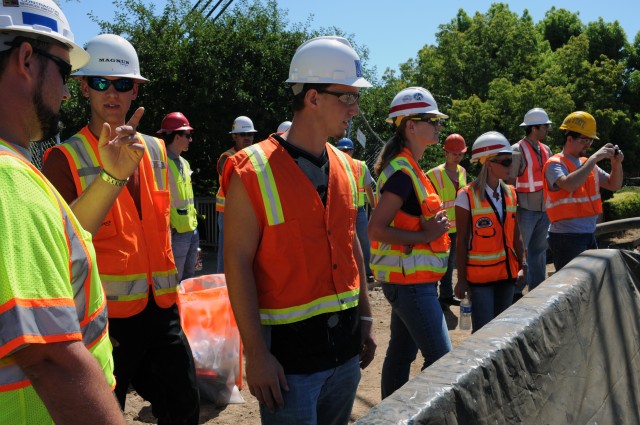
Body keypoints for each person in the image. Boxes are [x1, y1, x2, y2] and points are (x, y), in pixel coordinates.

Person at [42, 34, 199, 424]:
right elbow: (61, 240)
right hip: (104, 321)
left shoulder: (158, 151)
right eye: (99, 82)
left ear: (136, 91)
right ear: (82, 87)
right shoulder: (63, 159)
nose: (111, 93)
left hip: (162, 311)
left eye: (122, 84)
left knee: (184, 409)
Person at [223, 36, 376, 424]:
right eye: (348, 97)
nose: (355, 109)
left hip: (345, 351)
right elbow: (236, 263)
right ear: (313, 98)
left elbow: (350, 245)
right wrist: (255, 355)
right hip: (288, 364)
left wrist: (367, 318)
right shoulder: (250, 170)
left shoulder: (347, 167)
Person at [0, 1, 138, 423]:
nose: (65, 90)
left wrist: (110, 179)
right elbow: (52, 358)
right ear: (26, 59)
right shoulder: (9, 179)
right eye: (63, 71)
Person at [368, 86, 452, 399]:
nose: (438, 126)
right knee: (443, 360)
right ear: (410, 126)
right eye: (431, 120)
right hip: (411, 284)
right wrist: (425, 236)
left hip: (412, 281)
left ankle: (391, 415)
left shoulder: (410, 169)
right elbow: (375, 230)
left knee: (401, 354)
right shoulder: (403, 174)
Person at [454, 132, 526, 332]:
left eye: (510, 161)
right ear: (488, 164)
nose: (510, 165)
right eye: (505, 161)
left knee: (503, 333)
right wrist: (461, 279)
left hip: (508, 276)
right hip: (480, 279)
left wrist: (523, 264)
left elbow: (516, 233)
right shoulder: (465, 196)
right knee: (484, 333)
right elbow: (461, 241)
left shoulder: (511, 193)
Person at [543, 111, 624, 270]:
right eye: (584, 140)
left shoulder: (587, 163)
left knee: (590, 284)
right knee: (571, 286)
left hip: (588, 233)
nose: (588, 144)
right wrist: (594, 158)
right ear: (569, 138)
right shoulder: (555, 163)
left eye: (590, 140)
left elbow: (614, 185)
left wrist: (616, 164)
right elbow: (568, 185)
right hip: (566, 237)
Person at [509, 108, 553, 301]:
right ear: (534, 128)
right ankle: (514, 293)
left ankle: (537, 291)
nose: (548, 129)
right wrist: (512, 209)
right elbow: (509, 182)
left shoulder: (546, 149)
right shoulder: (517, 150)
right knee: (519, 251)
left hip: (544, 210)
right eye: (545, 126)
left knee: (539, 252)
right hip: (524, 210)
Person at [426, 133, 468, 308]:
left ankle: (445, 295)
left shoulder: (462, 171)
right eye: (454, 154)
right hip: (441, 227)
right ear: (446, 153)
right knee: (438, 263)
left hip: (457, 226)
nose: (457, 157)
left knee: (450, 264)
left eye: (460, 154)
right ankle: (433, 297)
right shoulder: (433, 174)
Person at [157, 112, 199, 282]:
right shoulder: (160, 164)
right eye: (187, 135)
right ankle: (175, 308)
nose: (190, 139)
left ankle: (184, 307)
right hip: (175, 233)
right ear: (176, 136)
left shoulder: (185, 162)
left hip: (191, 228)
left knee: (189, 276)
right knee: (175, 277)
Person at [215, 115, 257, 273]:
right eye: (243, 134)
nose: (248, 138)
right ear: (234, 136)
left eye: (250, 134)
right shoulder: (227, 157)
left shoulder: (253, 155)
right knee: (227, 254)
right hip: (228, 213)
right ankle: (223, 288)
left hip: (247, 213)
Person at [336, 137, 377, 283]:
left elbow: (368, 189)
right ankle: (346, 273)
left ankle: (367, 272)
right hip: (341, 210)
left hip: (358, 211)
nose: (345, 152)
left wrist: (374, 208)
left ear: (352, 151)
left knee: (364, 241)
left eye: (347, 150)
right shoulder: (333, 164)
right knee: (342, 242)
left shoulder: (361, 166)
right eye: (342, 150)